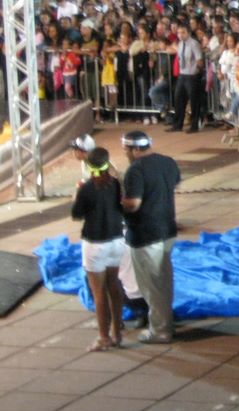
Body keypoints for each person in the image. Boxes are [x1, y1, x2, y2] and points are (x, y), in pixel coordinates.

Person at [121, 130, 181, 344]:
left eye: (126, 149)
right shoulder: (168, 162)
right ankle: (165, 321)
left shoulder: (135, 170)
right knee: (164, 280)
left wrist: (116, 201)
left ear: (135, 149)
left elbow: (134, 204)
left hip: (146, 234)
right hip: (167, 229)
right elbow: (174, 184)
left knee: (152, 285)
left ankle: (160, 330)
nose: (126, 154)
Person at [71, 147, 126, 352]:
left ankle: (104, 337)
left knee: (99, 293)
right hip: (116, 240)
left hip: (95, 243)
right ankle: (117, 333)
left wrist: (77, 194)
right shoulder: (116, 184)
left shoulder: (86, 188)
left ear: (89, 165)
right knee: (114, 287)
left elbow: (76, 214)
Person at [170, 22, 203, 132]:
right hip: (182, 74)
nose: (180, 35)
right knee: (178, 98)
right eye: (179, 33)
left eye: (183, 32)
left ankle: (194, 125)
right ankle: (177, 124)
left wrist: (197, 72)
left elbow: (199, 59)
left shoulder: (194, 44)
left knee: (194, 101)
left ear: (188, 33)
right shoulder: (180, 44)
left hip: (192, 75)